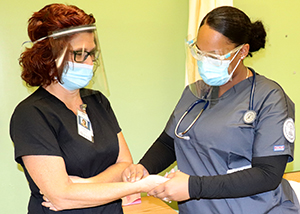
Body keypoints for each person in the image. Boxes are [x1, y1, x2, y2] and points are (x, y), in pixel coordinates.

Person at [123, 6, 300, 214]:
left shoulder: (268, 98)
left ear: (242, 51)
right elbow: (169, 142)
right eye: (200, 52)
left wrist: (192, 186)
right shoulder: (194, 93)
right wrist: (143, 168)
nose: (205, 62)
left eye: (215, 56)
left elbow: (268, 174)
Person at [10, 3, 166, 213]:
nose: (89, 62)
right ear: (48, 57)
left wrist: (83, 185)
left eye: (92, 53)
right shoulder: (31, 115)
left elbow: (125, 166)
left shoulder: (97, 101)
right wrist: (136, 186)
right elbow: (61, 197)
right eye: (79, 54)